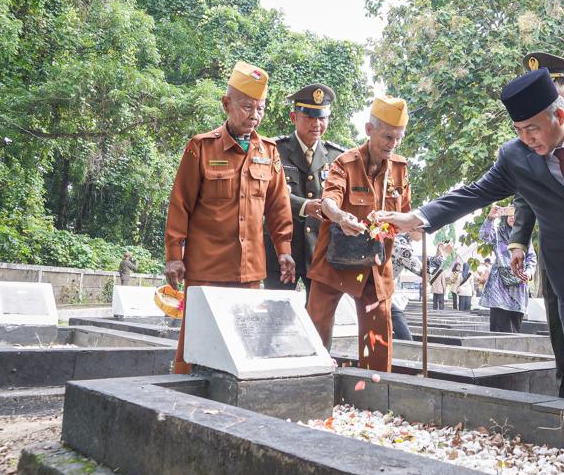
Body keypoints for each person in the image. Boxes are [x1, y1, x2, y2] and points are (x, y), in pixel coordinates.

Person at [377, 68, 564, 408]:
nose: (527, 138)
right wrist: (419, 217)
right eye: (519, 130)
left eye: (533, 128)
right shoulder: (515, 157)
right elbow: (474, 193)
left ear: (560, 113)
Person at [164, 61, 296, 374]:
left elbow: (278, 206)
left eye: (260, 108)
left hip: (248, 271)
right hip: (206, 266)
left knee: (242, 343)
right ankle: (182, 402)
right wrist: (174, 255)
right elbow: (180, 203)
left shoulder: (269, 153)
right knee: (194, 343)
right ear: (227, 104)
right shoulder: (201, 147)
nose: (254, 115)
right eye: (246, 106)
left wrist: (284, 251)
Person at [306, 95, 412, 372]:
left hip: (375, 267)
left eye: (398, 138)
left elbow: (408, 216)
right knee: (316, 329)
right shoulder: (345, 162)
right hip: (334, 262)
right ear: (369, 130)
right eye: (388, 137)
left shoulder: (400, 169)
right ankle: (312, 379)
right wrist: (340, 217)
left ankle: (378, 392)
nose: (393, 144)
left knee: (378, 338)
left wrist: (415, 226)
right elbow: (329, 199)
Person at [511, 51, 564, 398]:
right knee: (561, 335)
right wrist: (518, 241)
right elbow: (524, 192)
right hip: (556, 254)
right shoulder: (530, 140)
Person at [263, 83, 346, 301]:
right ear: (293, 117)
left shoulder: (336, 156)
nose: (316, 124)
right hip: (280, 251)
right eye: (309, 117)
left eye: (322, 117)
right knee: (276, 317)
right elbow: (266, 193)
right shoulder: (274, 150)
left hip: (320, 253)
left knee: (319, 321)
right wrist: (303, 206)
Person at [479, 206, 535, 332]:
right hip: (498, 288)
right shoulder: (499, 233)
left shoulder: (526, 236)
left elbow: (532, 257)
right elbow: (484, 236)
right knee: (497, 328)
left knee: (514, 330)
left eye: (515, 214)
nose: (512, 217)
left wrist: (529, 273)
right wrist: (490, 218)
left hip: (518, 287)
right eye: (509, 213)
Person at [390, 230, 422, 341]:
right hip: (375, 289)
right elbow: (426, 272)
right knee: (398, 318)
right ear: (412, 228)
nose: (424, 233)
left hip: (381, 289)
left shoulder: (402, 241)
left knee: (397, 317)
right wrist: (443, 255)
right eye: (422, 229)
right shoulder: (400, 242)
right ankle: (410, 351)